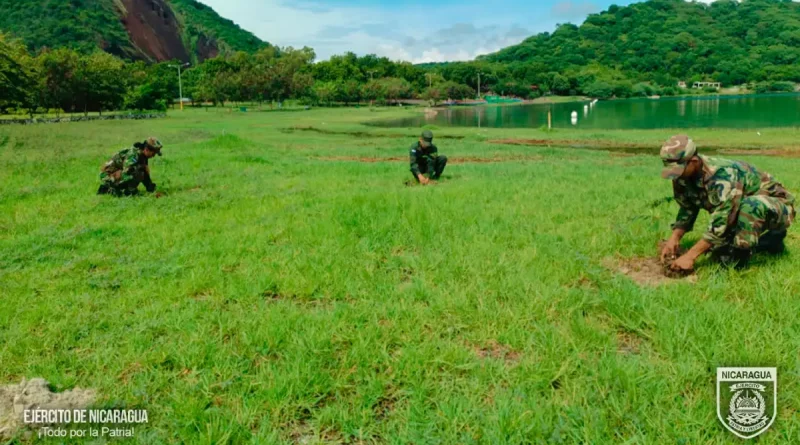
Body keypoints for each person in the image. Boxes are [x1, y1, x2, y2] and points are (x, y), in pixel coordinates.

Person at [660, 135, 795, 270]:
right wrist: (674, 239)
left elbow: (723, 221)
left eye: (678, 169)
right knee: (719, 249)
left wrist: (690, 256)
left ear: (694, 161)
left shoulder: (722, 176)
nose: (675, 175)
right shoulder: (682, 176)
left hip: (779, 207)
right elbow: (687, 207)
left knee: (750, 206)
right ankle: (770, 241)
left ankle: (740, 258)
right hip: (739, 207)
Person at [98, 137, 163, 196]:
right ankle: (109, 188)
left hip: (118, 173)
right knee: (137, 171)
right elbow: (127, 172)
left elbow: (145, 174)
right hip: (108, 175)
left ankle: (128, 190)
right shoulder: (133, 155)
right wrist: (132, 189)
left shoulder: (143, 155)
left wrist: (152, 190)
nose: (154, 155)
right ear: (146, 149)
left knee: (140, 170)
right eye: (153, 153)